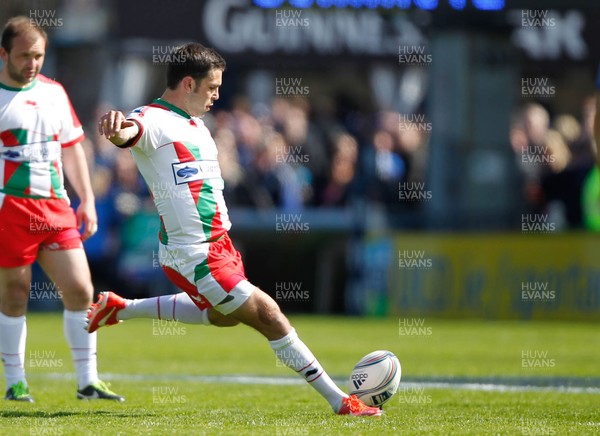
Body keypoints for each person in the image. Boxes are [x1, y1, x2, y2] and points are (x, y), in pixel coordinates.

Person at [90, 42, 381, 416]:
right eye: (212, 87)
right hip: (193, 253)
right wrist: (116, 128)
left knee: (223, 316)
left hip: (221, 246)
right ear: (189, 84)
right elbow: (127, 132)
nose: (217, 95)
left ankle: (120, 308)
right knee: (269, 314)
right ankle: (340, 401)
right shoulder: (151, 119)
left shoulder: (196, 124)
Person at [0, 16, 123, 402]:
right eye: (23, 56)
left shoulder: (54, 92)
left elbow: (72, 147)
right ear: (3, 54)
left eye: (38, 55)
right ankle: (15, 382)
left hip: (55, 208)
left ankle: (88, 381)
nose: (32, 63)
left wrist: (86, 198)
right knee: (16, 294)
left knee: (81, 290)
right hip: (10, 209)